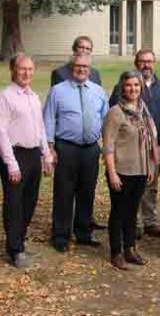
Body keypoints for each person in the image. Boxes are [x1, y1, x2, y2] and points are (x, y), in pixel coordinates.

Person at [44, 52, 109, 252]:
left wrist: (107, 148)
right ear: (72, 67)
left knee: (86, 191)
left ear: (90, 69)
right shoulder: (58, 90)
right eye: (78, 66)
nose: (81, 69)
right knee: (64, 192)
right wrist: (50, 146)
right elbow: (49, 119)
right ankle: (61, 236)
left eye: (85, 67)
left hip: (90, 149)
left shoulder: (98, 91)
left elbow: (106, 120)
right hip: (66, 148)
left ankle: (83, 233)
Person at [110, 49, 160, 238]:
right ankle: (133, 223)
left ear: (155, 63)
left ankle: (149, 221)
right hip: (130, 147)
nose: (146, 65)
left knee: (150, 185)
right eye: (142, 61)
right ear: (136, 63)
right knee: (132, 186)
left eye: (150, 61)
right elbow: (114, 111)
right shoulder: (125, 85)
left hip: (155, 146)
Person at [0, 54, 54, 268]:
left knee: (29, 202)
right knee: (14, 204)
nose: (26, 73)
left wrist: (46, 154)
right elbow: (1, 131)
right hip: (14, 154)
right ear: (13, 70)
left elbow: (40, 128)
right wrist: (11, 163)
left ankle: (20, 242)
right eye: (22, 69)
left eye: (30, 69)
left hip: (32, 155)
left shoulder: (33, 96)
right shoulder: (6, 96)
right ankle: (14, 250)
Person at [102, 70, 159, 270]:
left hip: (141, 170)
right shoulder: (115, 113)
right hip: (121, 171)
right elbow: (108, 146)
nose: (133, 89)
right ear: (122, 87)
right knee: (119, 212)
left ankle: (130, 248)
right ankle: (116, 252)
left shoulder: (144, 111)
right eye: (129, 85)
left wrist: (150, 166)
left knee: (132, 212)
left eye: (136, 85)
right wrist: (112, 173)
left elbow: (149, 142)